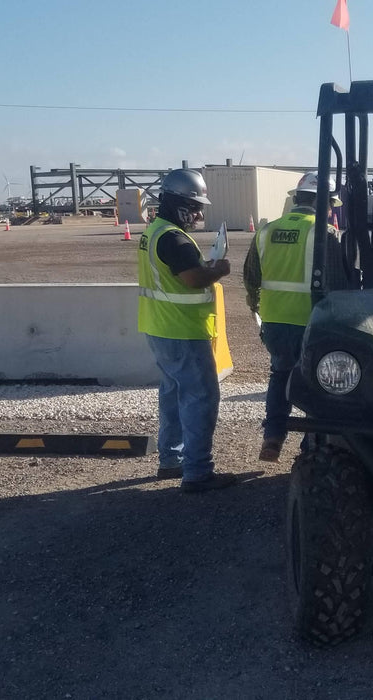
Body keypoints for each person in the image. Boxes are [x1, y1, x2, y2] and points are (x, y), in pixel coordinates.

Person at [138, 169, 236, 492]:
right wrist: (218, 269)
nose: (198, 214)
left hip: (160, 327)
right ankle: (197, 472)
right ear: (178, 203)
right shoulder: (174, 239)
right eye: (194, 207)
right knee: (200, 397)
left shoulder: (155, 231)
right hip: (183, 330)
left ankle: (171, 460)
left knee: (172, 394)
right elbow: (192, 280)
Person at [244, 172, 347, 462]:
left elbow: (251, 277)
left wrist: (260, 312)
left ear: (297, 198)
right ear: (323, 203)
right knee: (318, 383)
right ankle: (310, 447)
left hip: (275, 321)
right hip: (311, 322)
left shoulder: (266, 231)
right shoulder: (323, 233)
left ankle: (273, 438)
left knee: (280, 376)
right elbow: (339, 284)